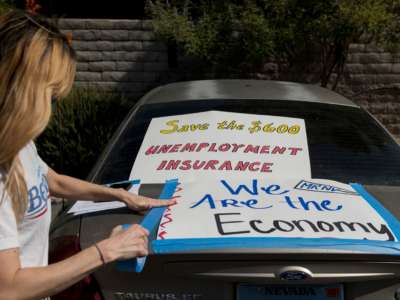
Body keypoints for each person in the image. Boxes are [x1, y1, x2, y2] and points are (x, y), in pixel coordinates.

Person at [0, 10, 175, 300]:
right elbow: (8, 287)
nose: (53, 109)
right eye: (52, 96)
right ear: (26, 91)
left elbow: (53, 181)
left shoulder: (20, 146)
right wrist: (108, 250)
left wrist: (120, 195)